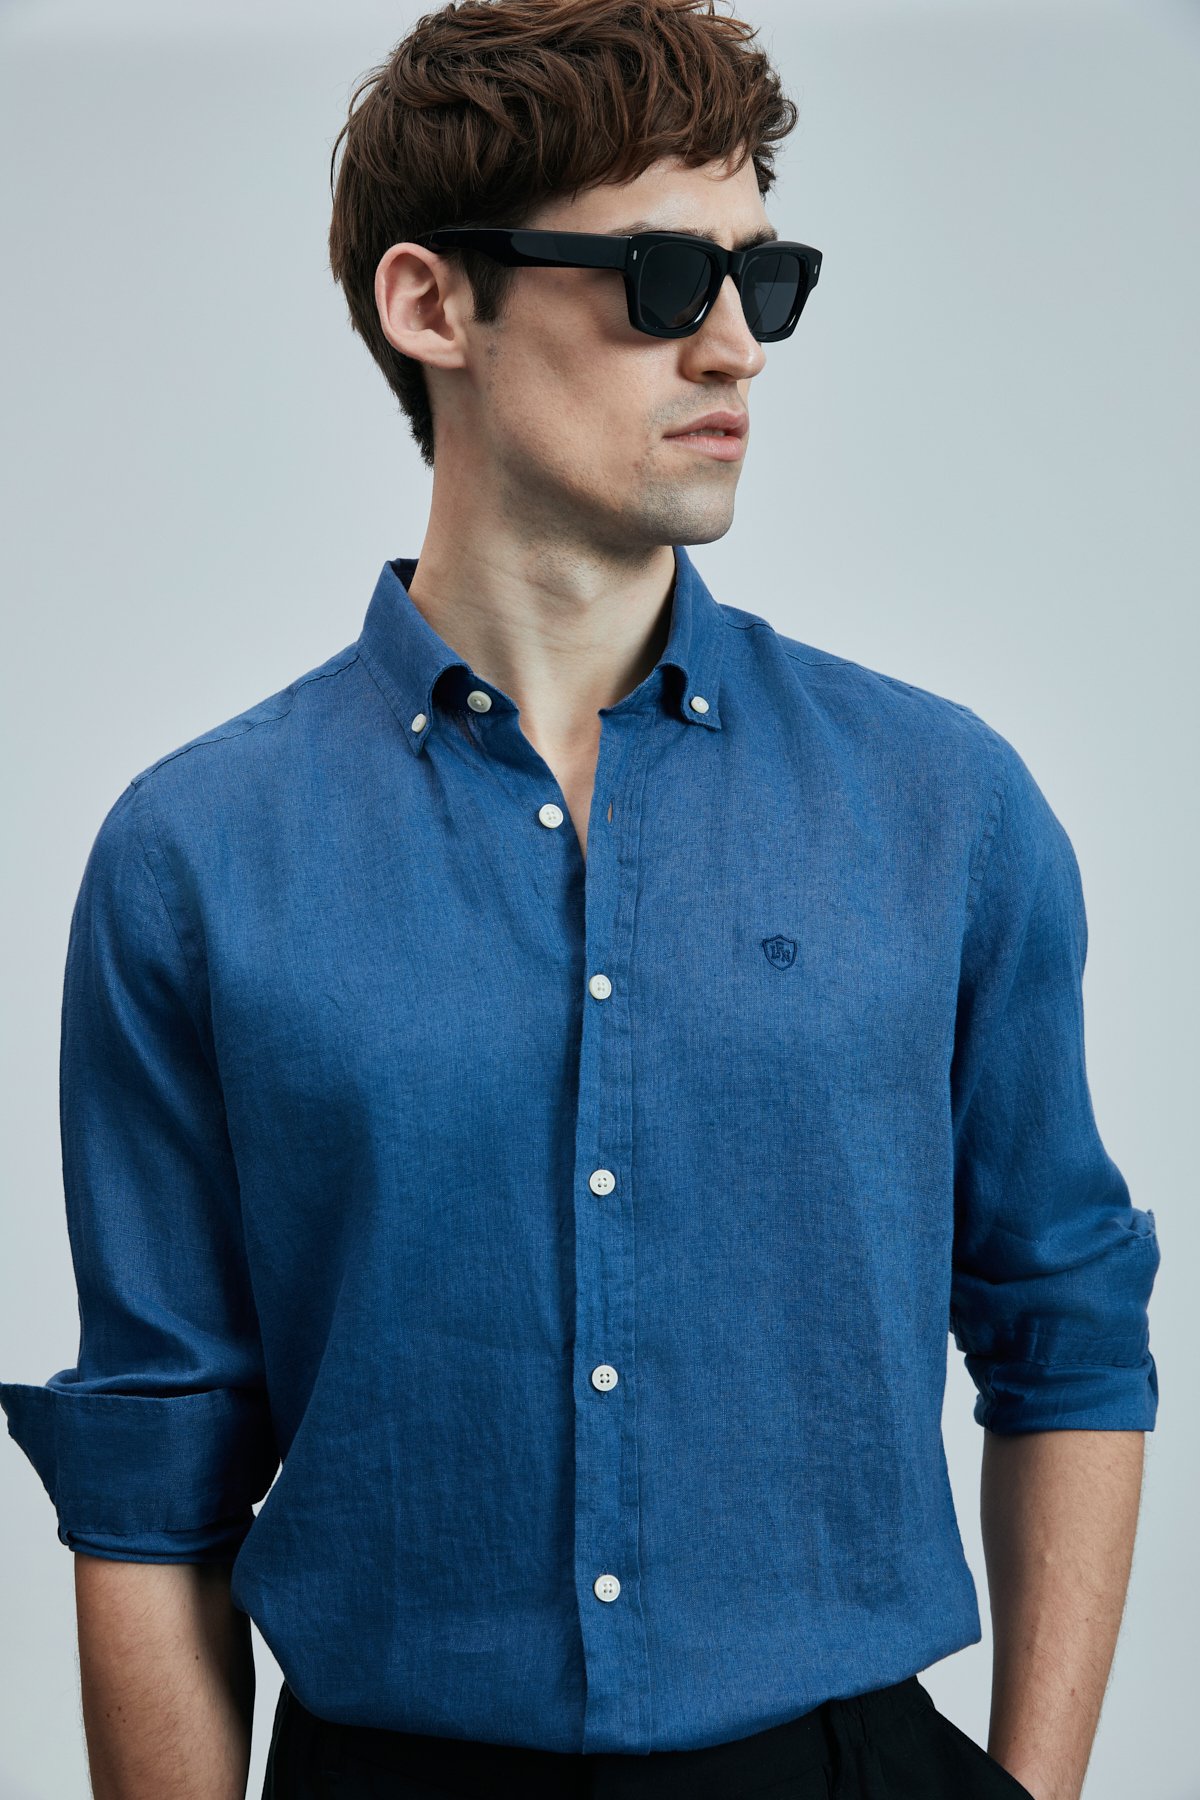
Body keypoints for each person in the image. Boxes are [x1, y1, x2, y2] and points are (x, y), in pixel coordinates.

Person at [0, 2, 1160, 1797]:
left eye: (764, 282)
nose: (734, 344)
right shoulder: (195, 859)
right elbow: (156, 1468)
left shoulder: (944, 806)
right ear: (431, 303)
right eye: (658, 276)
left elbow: (1066, 1329)